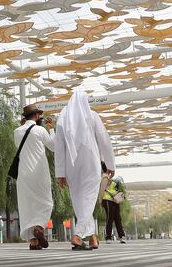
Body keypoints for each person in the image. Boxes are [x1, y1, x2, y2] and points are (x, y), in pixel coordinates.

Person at [55, 91, 115, 251]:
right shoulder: (92, 115)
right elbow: (104, 139)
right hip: (90, 162)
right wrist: (110, 164)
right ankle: (78, 235)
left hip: (71, 164)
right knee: (88, 198)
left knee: (80, 200)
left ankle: (93, 238)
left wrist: (60, 172)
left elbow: (59, 146)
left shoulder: (63, 117)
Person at [12, 104, 55, 250]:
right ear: (37, 116)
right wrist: (51, 129)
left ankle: (33, 241)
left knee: (27, 206)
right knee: (46, 202)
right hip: (39, 172)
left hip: (23, 174)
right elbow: (54, 147)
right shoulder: (40, 130)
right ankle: (39, 226)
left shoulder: (17, 131)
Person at [102, 175, 126, 243]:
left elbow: (102, 190)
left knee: (116, 218)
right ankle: (110, 237)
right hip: (109, 199)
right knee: (112, 218)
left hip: (113, 200)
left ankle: (120, 236)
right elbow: (102, 190)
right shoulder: (106, 178)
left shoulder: (109, 179)